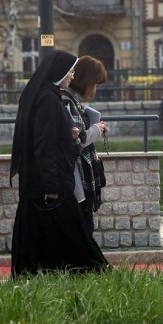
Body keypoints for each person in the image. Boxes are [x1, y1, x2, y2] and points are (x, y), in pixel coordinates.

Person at [10, 50, 110, 277]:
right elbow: (46, 146)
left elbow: (50, 138)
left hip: (42, 184)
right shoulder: (48, 100)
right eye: (70, 71)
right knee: (75, 238)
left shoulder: (44, 95)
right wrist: (53, 186)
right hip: (53, 185)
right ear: (61, 72)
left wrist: (69, 135)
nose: (72, 77)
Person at [61, 55, 109, 235]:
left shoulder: (71, 99)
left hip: (80, 171)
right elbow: (77, 140)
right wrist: (97, 129)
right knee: (83, 225)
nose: (95, 89)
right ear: (86, 80)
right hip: (77, 172)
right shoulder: (67, 100)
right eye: (95, 84)